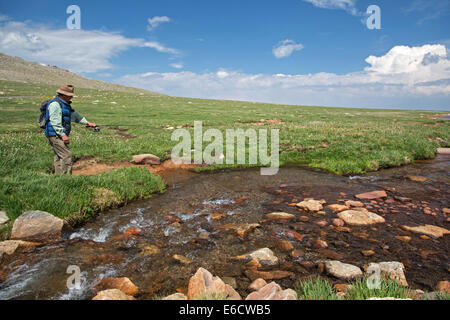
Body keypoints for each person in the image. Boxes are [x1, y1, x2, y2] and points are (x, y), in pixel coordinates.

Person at [44, 84, 96, 174]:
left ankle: (59, 176)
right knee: (66, 155)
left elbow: (75, 116)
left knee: (59, 156)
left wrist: (87, 123)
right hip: (55, 134)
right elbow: (55, 122)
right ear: (64, 95)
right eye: (70, 96)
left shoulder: (65, 105)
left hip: (57, 134)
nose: (71, 98)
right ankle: (66, 177)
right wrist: (63, 135)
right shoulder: (55, 104)